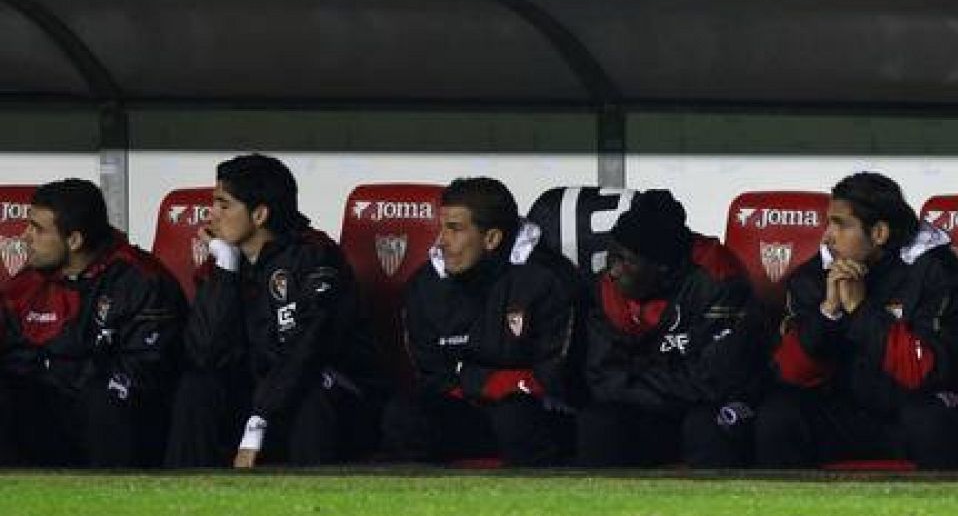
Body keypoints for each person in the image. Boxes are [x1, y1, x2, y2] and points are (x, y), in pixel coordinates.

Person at [755, 172, 958, 469]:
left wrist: (860, 309)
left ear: (879, 233)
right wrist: (828, 312)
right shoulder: (815, 276)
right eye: (828, 223)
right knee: (779, 415)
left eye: (841, 225)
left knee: (927, 418)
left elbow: (924, 372)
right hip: (858, 414)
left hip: (942, 410)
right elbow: (789, 373)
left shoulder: (936, 272)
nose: (827, 236)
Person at [166, 154, 383, 467]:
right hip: (261, 398)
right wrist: (226, 268)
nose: (210, 214)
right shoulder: (223, 262)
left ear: (259, 215)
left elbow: (307, 351)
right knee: (197, 388)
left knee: (310, 394)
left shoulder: (315, 257)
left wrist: (257, 422)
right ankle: (182, 501)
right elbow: (205, 354)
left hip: (332, 399)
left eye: (223, 204)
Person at [382, 177, 585, 466]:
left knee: (515, 418)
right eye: (441, 228)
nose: (441, 242)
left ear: (491, 239)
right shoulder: (425, 285)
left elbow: (554, 377)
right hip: (468, 409)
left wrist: (476, 378)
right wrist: (489, 382)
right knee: (404, 415)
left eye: (454, 229)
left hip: (538, 415)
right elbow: (432, 374)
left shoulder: (550, 280)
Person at [0, 179, 186, 467]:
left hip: (118, 421)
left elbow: (147, 371)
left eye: (37, 229)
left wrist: (68, 374)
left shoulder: (141, 280)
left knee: (103, 398)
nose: (24, 237)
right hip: (47, 414)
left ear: (74, 240)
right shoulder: (26, 286)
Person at [577, 189, 766, 467]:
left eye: (626, 261)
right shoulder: (608, 286)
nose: (613, 271)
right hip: (653, 407)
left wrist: (637, 375)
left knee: (707, 426)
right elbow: (602, 377)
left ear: (662, 268)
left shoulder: (717, 280)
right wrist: (664, 380)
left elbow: (715, 381)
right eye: (612, 255)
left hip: (716, 407)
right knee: (599, 422)